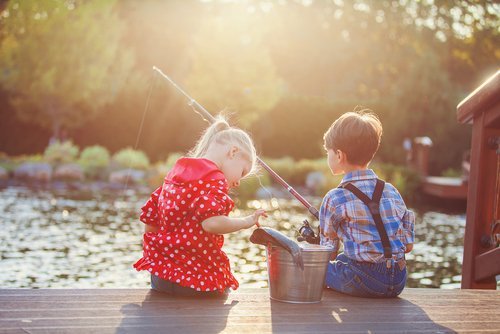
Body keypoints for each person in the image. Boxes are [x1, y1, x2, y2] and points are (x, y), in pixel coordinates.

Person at [133, 116, 267, 297]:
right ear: (233, 152)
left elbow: (150, 221)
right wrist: (247, 221)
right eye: (242, 172)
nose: (237, 183)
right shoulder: (213, 178)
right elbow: (211, 224)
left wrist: (157, 257)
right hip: (195, 281)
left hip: (160, 278)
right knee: (223, 291)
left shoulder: (177, 172)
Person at [319, 109, 415, 298]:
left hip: (365, 280)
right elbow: (408, 245)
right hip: (399, 280)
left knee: (315, 269)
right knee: (343, 259)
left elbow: (327, 253)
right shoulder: (391, 191)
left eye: (327, 152)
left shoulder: (335, 198)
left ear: (339, 155)